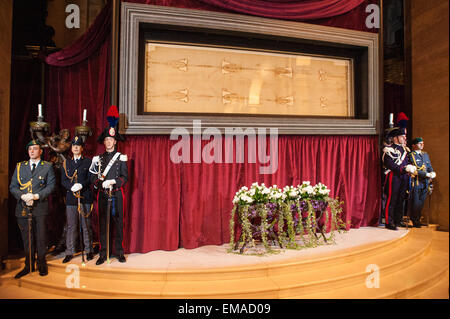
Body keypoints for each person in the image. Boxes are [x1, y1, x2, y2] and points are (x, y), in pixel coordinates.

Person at [9, 140, 56, 278]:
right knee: (27, 238)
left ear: (40, 151)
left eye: (35, 149)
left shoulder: (47, 167)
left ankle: (42, 264)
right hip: (23, 207)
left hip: (39, 207)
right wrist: (23, 196)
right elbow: (13, 187)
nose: (32, 151)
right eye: (30, 149)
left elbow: (51, 186)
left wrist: (36, 196)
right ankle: (29, 265)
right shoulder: (20, 167)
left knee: (41, 237)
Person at [89, 106, 128, 265]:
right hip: (103, 195)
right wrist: (100, 183)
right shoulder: (98, 159)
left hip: (117, 194)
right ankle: (103, 253)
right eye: (106, 140)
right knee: (103, 225)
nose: (108, 142)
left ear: (115, 141)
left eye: (111, 140)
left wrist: (114, 182)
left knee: (118, 224)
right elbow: (93, 178)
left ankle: (119, 252)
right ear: (103, 142)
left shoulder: (121, 158)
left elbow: (125, 177)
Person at [60, 136, 94, 263]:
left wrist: (82, 185)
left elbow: (90, 178)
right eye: (73, 145)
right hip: (71, 199)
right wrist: (71, 186)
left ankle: (89, 250)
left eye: (78, 145)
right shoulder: (66, 163)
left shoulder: (88, 162)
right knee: (71, 226)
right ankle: (69, 252)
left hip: (85, 197)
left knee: (86, 226)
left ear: (82, 148)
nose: (75, 147)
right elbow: (63, 180)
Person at [381, 128, 417, 230]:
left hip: (404, 177)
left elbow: (407, 161)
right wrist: (405, 168)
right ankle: (389, 222)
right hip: (394, 177)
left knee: (401, 199)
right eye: (402, 136)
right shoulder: (388, 149)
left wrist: (410, 168)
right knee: (392, 199)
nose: (405, 138)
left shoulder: (405, 150)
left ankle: (398, 220)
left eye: (404, 136)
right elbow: (390, 164)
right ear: (395, 138)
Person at [408, 137, 436, 228]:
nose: (422, 145)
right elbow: (415, 170)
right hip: (416, 181)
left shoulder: (425, 154)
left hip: (425, 182)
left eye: (422, 143)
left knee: (421, 202)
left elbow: (429, 165)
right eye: (420, 143)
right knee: (416, 202)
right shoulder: (411, 155)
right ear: (414, 145)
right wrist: (427, 174)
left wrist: (432, 172)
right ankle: (415, 220)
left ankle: (418, 219)